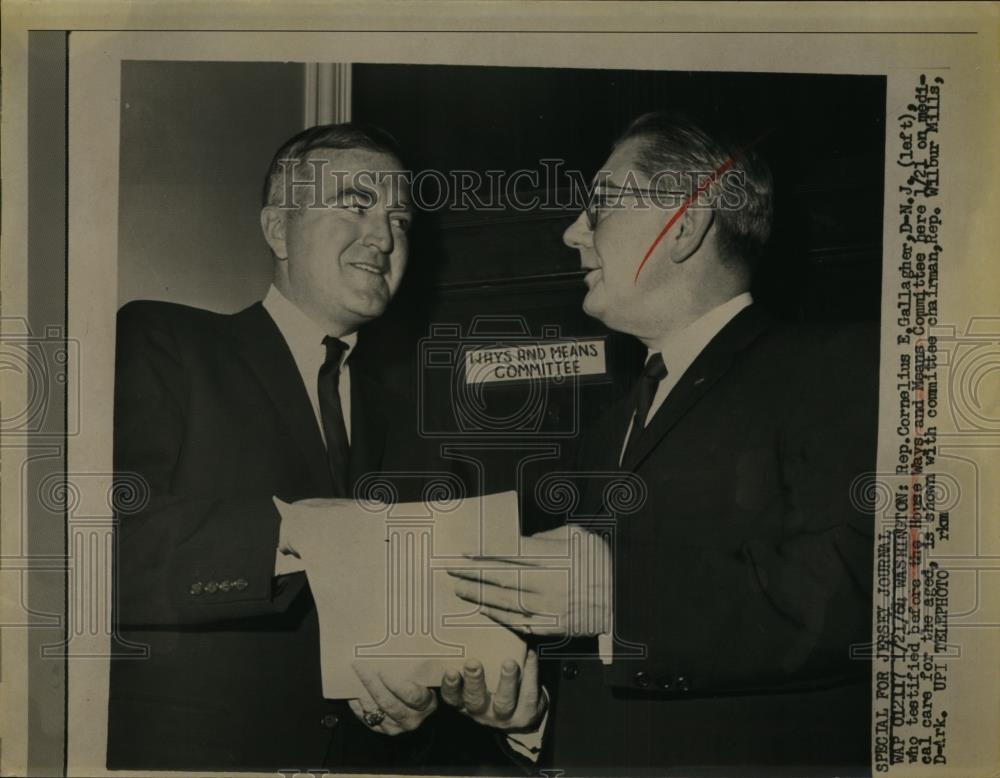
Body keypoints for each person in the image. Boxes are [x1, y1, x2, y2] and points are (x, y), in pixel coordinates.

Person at [446, 111, 878, 774]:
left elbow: (863, 589)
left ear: (684, 225)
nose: (571, 234)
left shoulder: (843, 366)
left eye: (599, 208)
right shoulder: (605, 426)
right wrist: (533, 723)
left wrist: (622, 597)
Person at [108, 123, 453, 772]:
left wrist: (413, 704)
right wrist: (295, 529)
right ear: (277, 230)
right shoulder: (166, 344)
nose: (384, 238)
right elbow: (103, 547)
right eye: (356, 204)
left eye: (400, 220)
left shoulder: (413, 421)